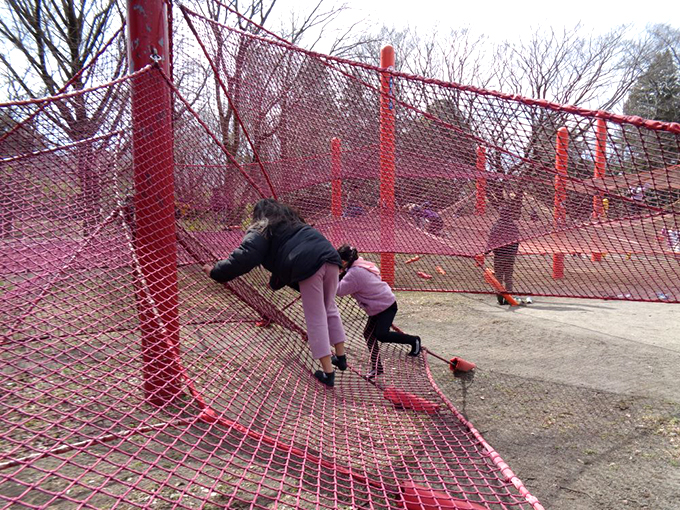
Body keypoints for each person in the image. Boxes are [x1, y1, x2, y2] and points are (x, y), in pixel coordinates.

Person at [204, 198, 347, 388]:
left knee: (316, 317)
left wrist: (216, 271)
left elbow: (247, 255)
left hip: (308, 263)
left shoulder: (262, 227)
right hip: (331, 257)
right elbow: (283, 256)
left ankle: (328, 373)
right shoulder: (295, 225)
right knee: (329, 307)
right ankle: (341, 356)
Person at [335, 244, 421, 379]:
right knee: (369, 334)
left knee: (381, 334)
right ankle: (377, 367)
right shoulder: (358, 265)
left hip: (386, 306)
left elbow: (339, 291)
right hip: (377, 306)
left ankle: (414, 340)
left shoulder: (355, 273)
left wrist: (331, 276)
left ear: (344, 261)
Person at [486, 202, 521, 305]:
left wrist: (486, 252)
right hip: (510, 255)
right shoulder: (513, 226)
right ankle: (508, 298)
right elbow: (516, 241)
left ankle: (500, 298)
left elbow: (491, 240)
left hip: (499, 255)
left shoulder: (496, 226)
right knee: (508, 277)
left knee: (499, 277)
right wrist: (514, 252)